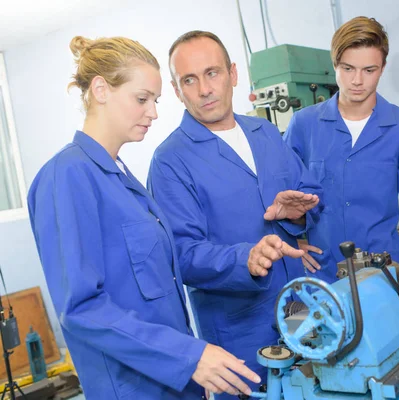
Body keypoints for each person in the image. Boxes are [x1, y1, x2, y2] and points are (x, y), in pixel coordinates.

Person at [28, 35, 260, 400]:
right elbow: (82, 307)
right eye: (141, 99)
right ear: (101, 90)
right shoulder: (68, 175)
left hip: (173, 383)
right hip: (133, 387)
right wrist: (189, 356)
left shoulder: (120, 177)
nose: (153, 112)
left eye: (154, 100)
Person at [147, 31, 323, 399]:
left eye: (212, 73)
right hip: (239, 332)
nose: (204, 89)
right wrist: (247, 258)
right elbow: (182, 254)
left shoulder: (267, 134)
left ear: (233, 73)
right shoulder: (171, 161)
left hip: (300, 311)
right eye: (189, 80)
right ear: (177, 91)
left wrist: (295, 217)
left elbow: (308, 199)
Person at [284, 16, 399, 291]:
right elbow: (279, 197)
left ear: (382, 68)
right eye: (348, 68)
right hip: (320, 280)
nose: (357, 81)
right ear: (334, 65)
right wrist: (291, 242)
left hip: (384, 278)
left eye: (369, 70)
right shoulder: (303, 126)